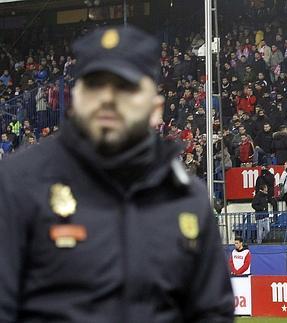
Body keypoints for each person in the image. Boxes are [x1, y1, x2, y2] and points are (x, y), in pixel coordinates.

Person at [0, 26, 234, 321]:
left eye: (126, 86)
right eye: (95, 84)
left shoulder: (186, 196)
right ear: (75, 99)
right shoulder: (17, 182)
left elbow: (213, 312)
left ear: (156, 108)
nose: (108, 97)